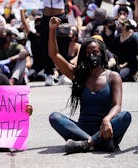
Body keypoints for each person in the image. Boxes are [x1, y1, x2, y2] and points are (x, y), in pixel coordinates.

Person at [48, 17, 131, 154]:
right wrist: (52, 30)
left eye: (95, 52)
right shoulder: (79, 75)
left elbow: (117, 105)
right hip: (81, 129)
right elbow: (54, 54)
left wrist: (106, 119)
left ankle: (86, 144)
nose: (91, 56)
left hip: (107, 128)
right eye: (87, 53)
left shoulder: (113, 76)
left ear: (102, 54)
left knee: (125, 116)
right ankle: (97, 143)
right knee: (55, 117)